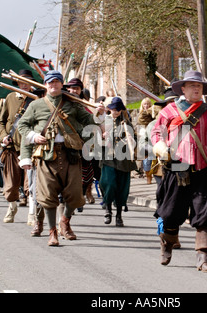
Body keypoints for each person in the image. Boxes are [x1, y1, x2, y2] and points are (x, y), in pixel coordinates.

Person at [18, 70, 105, 246]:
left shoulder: (73, 104)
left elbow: (90, 122)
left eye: (57, 82)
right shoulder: (36, 105)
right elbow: (22, 125)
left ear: (61, 83)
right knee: (48, 196)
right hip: (46, 155)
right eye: (50, 82)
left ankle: (65, 220)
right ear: (46, 85)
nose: (53, 85)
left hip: (71, 154)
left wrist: (99, 113)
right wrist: (34, 136)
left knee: (74, 194)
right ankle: (52, 232)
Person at [151, 70, 207, 272]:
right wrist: (160, 145)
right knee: (171, 212)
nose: (196, 89)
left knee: (205, 212)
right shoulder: (169, 110)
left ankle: (204, 256)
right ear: (183, 89)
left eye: (199, 86)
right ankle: (167, 243)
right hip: (177, 164)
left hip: (204, 165)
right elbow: (157, 132)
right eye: (192, 85)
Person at [0, 69, 33, 223]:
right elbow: (1, 121)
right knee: (11, 184)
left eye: (27, 82)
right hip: (11, 147)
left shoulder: (38, 99)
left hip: (31, 147)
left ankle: (32, 213)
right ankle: (12, 207)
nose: (24, 85)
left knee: (30, 184)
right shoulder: (10, 97)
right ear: (17, 83)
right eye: (21, 82)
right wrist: (4, 136)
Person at [99, 97, 137, 227]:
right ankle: (108, 209)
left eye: (117, 110)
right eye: (113, 109)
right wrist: (102, 136)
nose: (115, 112)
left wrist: (131, 139)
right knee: (108, 183)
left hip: (123, 160)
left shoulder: (126, 123)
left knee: (122, 187)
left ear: (121, 110)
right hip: (108, 159)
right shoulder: (105, 122)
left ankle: (119, 215)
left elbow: (134, 139)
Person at [65, 78, 95, 206]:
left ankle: (86, 191)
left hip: (84, 142)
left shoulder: (85, 106)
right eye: (71, 88)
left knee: (88, 170)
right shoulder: (63, 103)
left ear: (80, 90)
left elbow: (91, 120)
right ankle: (69, 198)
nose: (73, 91)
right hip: (69, 143)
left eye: (76, 88)